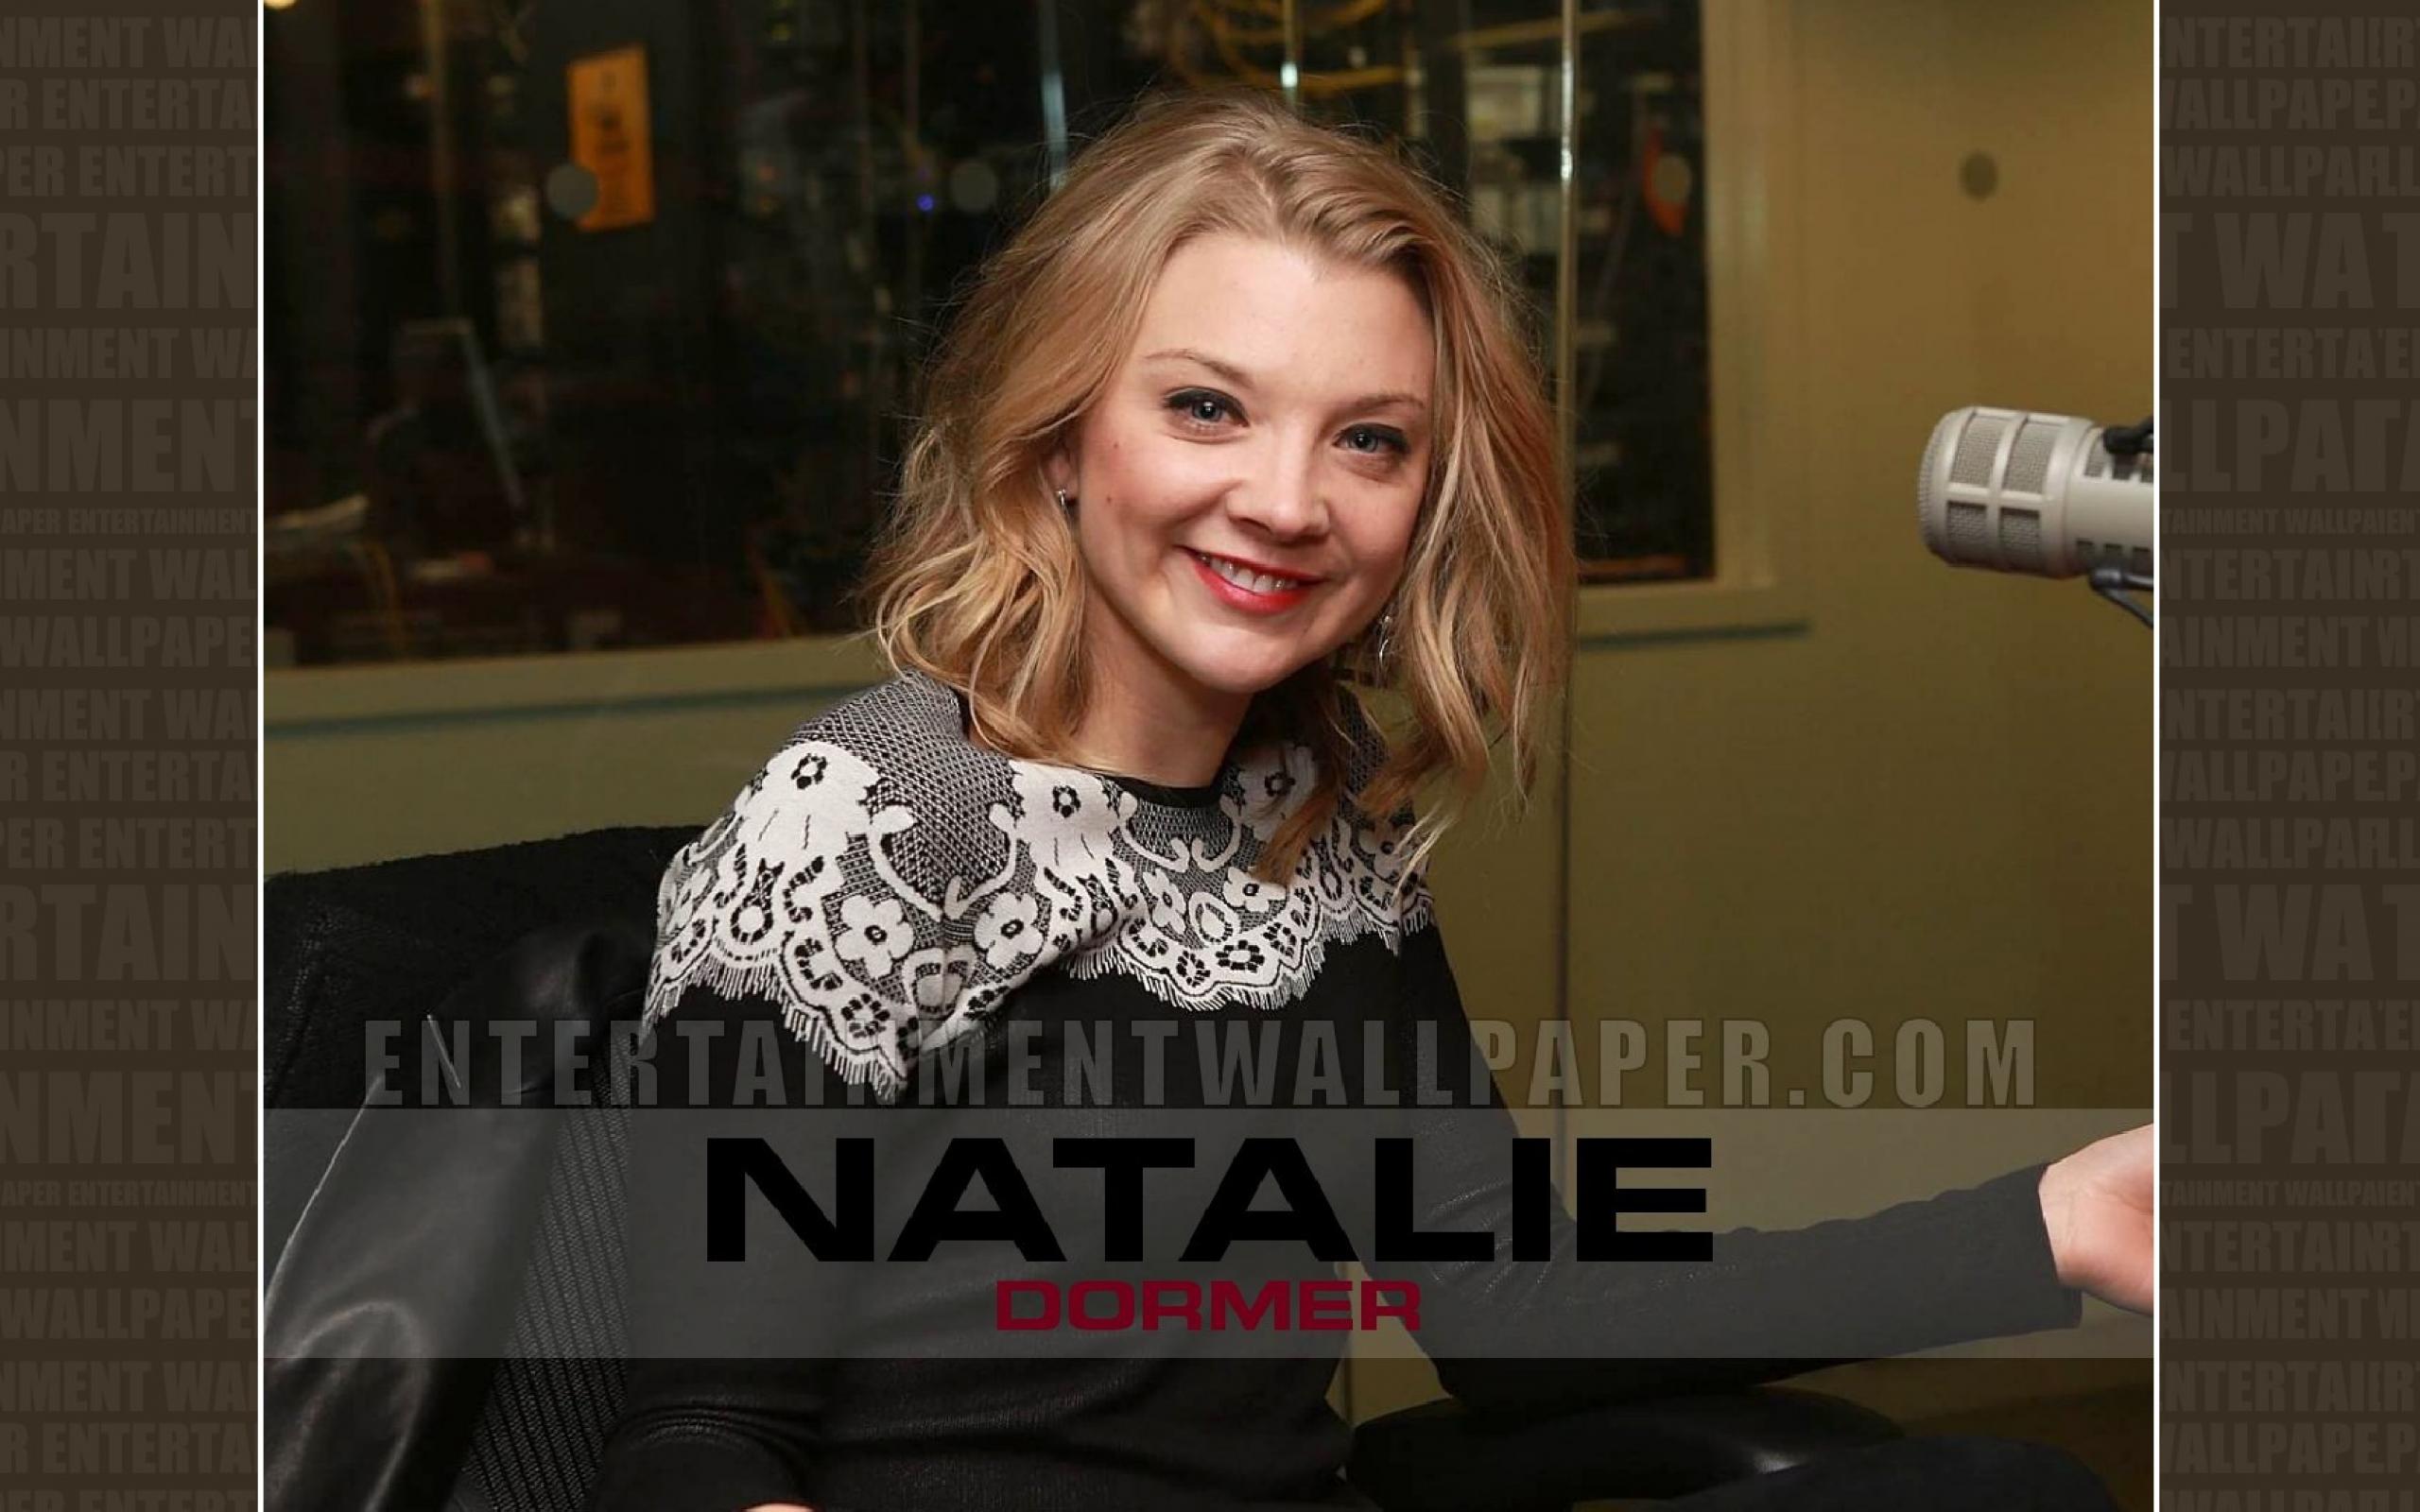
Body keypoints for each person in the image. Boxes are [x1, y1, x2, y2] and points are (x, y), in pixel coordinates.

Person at [588, 90, 2151, 1512]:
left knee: (1998, 1492)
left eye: (1370, 441)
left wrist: (2053, 1224)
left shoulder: (1314, 813)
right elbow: (697, 1443)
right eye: (1208, 409)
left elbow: (1512, 1304)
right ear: (1060, 441)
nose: (1286, 501)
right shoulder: (864, 820)